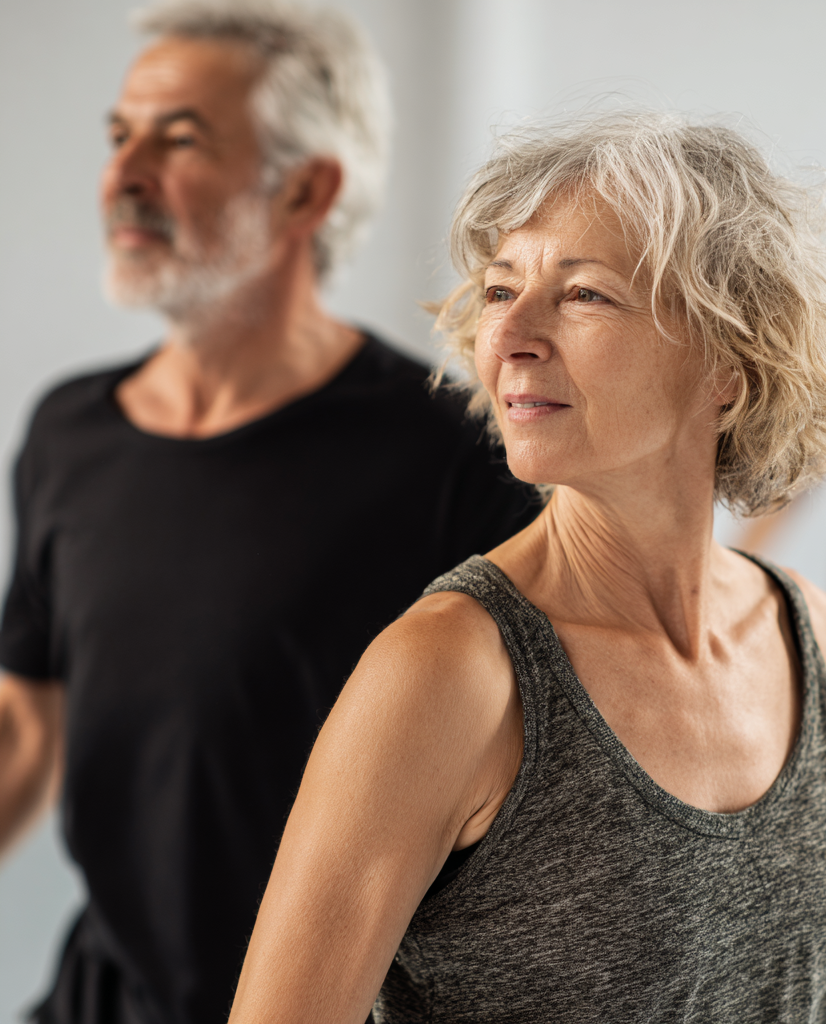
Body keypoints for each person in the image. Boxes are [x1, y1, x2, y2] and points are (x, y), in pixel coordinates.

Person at [226, 112, 826, 1024]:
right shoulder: (452, 676)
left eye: (585, 295)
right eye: (500, 291)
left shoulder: (812, 639)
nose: (513, 337)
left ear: (728, 364)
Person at [0, 2, 535, 1023]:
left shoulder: (455, 456)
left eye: (180, 137)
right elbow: (26, 724)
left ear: (306, 188)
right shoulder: (68, 434)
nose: (124, 174)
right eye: (120, 136)